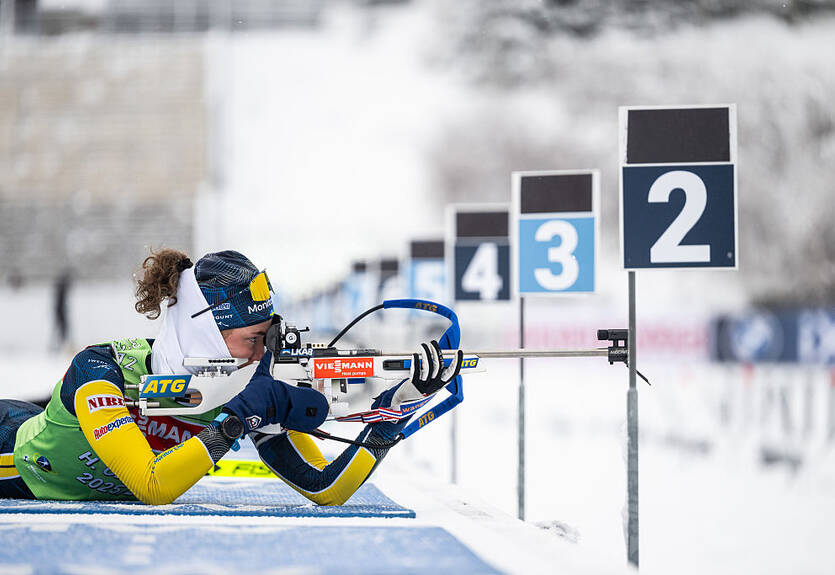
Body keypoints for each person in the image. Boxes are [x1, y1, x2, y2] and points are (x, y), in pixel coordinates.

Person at [0, 248, 461, 505]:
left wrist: (398, 406)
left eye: (269, 339)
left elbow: (325, 487)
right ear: (203, 333)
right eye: (252, 339)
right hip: (14, 462)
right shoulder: (100, 370)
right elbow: (152, 485)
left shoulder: (238, 386)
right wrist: (236, 424)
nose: (262, 355)